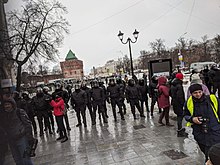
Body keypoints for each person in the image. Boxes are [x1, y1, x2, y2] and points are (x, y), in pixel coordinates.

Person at [184, 84, 220, 162]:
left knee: (212, 155)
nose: (198, 94)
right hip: (200, 133)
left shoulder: (212, 99)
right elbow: (185, 115)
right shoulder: (189, 102)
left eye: (200, 92)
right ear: (191, 93)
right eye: (195, 93)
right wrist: (192, 119)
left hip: (214, 132)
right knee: (206, 152)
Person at [0, 98, 35, 165]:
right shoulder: (4, 116)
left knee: (26, 159)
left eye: (8, 104)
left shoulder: (19, 112)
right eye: (5, 105)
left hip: (21, 138)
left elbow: (27, 124)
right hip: (11, 140)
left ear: (12, 105)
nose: (6, 106)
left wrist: (29, 136)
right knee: (17, 160)